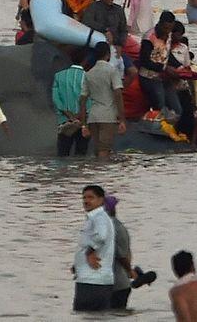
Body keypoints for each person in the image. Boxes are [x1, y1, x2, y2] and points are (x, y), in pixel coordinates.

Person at [79, 42, 126, 159]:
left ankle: (95, 174)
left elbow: (82, 100)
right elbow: (118, 94)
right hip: (108, 117)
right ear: (108, 54)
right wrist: (122, 119)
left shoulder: (89, 74)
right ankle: (102, 175)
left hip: (93, 117)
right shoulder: (112, 71)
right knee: (104, 150)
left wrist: (84, 124)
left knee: (97, 149)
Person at [73, 184, 116, 312]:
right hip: (92, 279)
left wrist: (89, 252)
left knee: (85, 315)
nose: (86, 201)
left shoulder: (99, 217)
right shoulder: (95, 217)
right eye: (84, 198)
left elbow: (101, 237)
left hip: (93, 280)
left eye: (91, 197)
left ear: (101, 200)